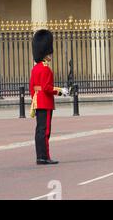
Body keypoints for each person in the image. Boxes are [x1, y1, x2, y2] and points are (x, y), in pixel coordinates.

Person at [29, 29, 69, 165]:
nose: (50, 55)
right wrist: (60, 91)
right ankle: (44, 157)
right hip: (45, 103)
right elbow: (46, 88)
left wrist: (35, 99)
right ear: (45, 54)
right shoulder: (46, 69)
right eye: (49, 53)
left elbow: (32, 87)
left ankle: (40, 156)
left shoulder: (35, 68)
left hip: (37, 101)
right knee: (45, 131)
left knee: (39, 130)